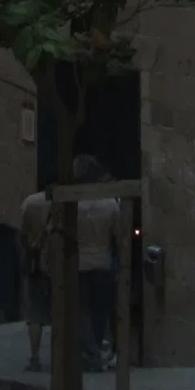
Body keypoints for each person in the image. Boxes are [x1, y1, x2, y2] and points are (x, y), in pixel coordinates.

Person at [72, 155, 120, 373]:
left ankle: (89, 351)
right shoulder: (111, 204)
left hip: (81, 261)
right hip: (102, 260)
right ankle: (95, 347)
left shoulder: (75, 205)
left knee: (83, 309)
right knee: (100, 309)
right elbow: (118, 235)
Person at [19, 187, 52, 372]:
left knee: (35, 315)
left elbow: (22, 233)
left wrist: (30, 250)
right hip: (61, 264)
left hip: (37, 264)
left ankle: (35, 356)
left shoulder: (30, 202)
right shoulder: (70, 201)